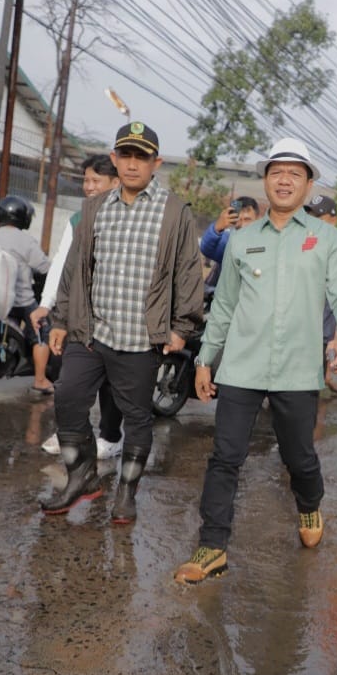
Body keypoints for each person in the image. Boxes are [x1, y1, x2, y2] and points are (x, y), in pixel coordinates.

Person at [174, 137, 337, 584]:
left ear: (308, 183)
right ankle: (212, 547)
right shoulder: (241, 240)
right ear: (265, 180)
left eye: (294, 173)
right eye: (277, 171)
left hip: (297, 369)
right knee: (225, 457)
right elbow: (223, 306)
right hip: (242, 365)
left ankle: (310, 504)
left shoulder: (327, 240)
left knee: (299, 457)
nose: (284, 180)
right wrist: (205, 359)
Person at [43, 121, 205, 525]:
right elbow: (75, 271)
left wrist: (182, 328)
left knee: (136, 417)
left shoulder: (174, 212)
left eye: (142, 157)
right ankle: (82, 476)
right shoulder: (95, 208)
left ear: (156, 163)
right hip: (92, 330)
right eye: (126, 155)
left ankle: (126, 492)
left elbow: (189, 271)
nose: (133, 165)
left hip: (140, 337)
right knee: (67, 397)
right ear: (114, 159)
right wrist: (62, 318)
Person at [31, 154, 124, 459]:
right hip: (80, 312)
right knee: (70, 379)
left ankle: (110, 437)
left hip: (118, 314)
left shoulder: (131, 218)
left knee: (111, 381)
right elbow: (61, 262)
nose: (89, 186)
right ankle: (69, 432)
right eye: (86, 180)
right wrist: (46, 303)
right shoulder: (78, 218)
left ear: (116, 182)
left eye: (96, 180)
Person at [0, 195, 53, 395]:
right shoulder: (25, 240)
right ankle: (40, 380)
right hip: (21, 300)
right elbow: (44, 267)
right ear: (22, 217)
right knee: (42, 333)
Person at [305, 194, 337, 393]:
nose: (313, 221)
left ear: (333, 220)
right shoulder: (303, 242)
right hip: (295, 330)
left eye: (319, 217)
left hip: (320, 334)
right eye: (310, 215)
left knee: (309, 392)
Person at [201, 196, 261, 296]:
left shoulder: (266, 242)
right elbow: (206, 248)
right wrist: (217, 228)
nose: (242, 225)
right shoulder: (229, 240)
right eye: (238, 220)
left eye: (247, 219)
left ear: (258, 219)